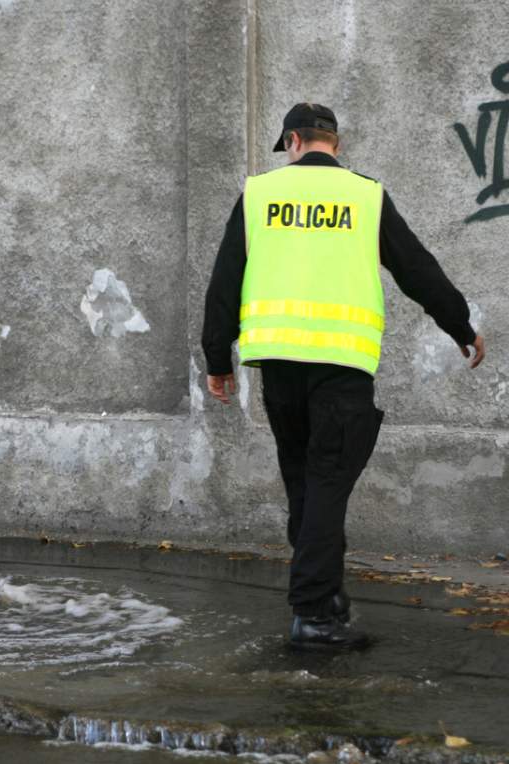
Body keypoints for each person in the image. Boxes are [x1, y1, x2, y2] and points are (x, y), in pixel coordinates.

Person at [201, 103, 486, 650]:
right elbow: (416, 268)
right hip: (342, 367)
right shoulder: (365, 195)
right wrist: (461, 326)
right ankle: (313, 615)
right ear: (336, 141)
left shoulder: (260, 194)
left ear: (292, 140)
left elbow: (224, 280)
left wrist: (219, 360)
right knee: (327, 486)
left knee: (305, 486)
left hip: (279, 366)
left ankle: (325, 597)